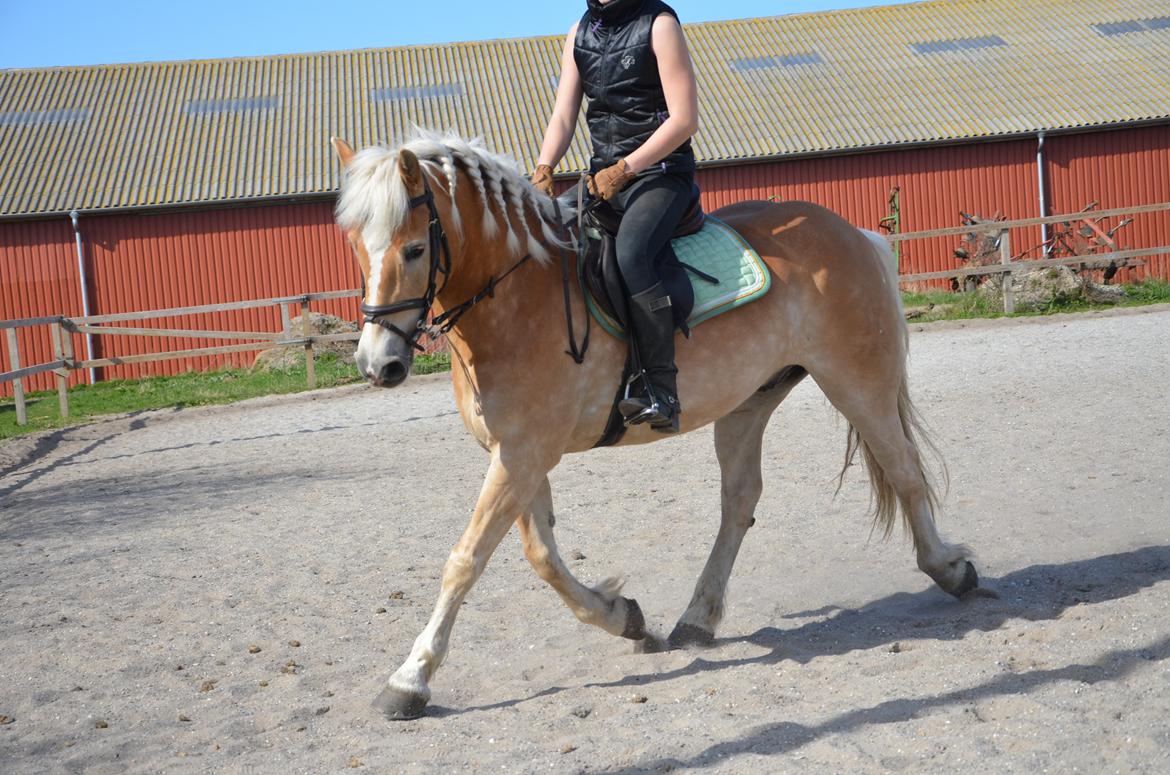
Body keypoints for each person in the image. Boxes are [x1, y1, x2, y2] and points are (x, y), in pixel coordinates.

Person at [531, 0, 699, 434]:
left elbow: (684, 119)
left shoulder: (659, 24)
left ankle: (661, 389)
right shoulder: (579, 32)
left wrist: (627, 168)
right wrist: (544, 167)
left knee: (632, 254)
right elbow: (565, 113)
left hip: (660, 174)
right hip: (602, 178)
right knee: (540, 237)